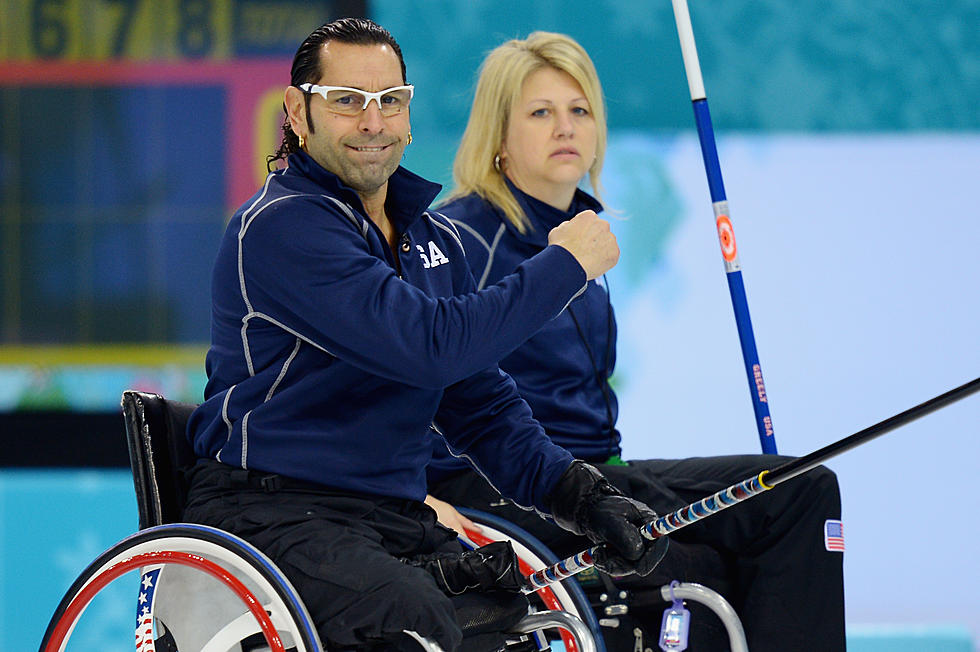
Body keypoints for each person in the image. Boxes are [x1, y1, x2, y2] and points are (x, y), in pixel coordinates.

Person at [182, 18, 670, 652]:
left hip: (386, 516)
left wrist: (581, 496)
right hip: (273, 516)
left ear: (408, 113)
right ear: (298, 113)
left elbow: (481, 406)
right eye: (347, 101)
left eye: (390, 101)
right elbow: (432, 346)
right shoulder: (281, 228)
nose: (372, 121)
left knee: (514, 625)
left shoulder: (433, 241)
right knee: (421, 624)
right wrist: (565, 264)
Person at [425, 32, 846, 651]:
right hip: (519, 488)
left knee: (799, 488)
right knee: (718, 556)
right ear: (498, 136)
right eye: (540, 112)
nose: (564, 127)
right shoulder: (464, 238)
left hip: (601, 473)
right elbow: (417, 372)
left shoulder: (583, 237)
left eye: (580, 111)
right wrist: (423, 497)